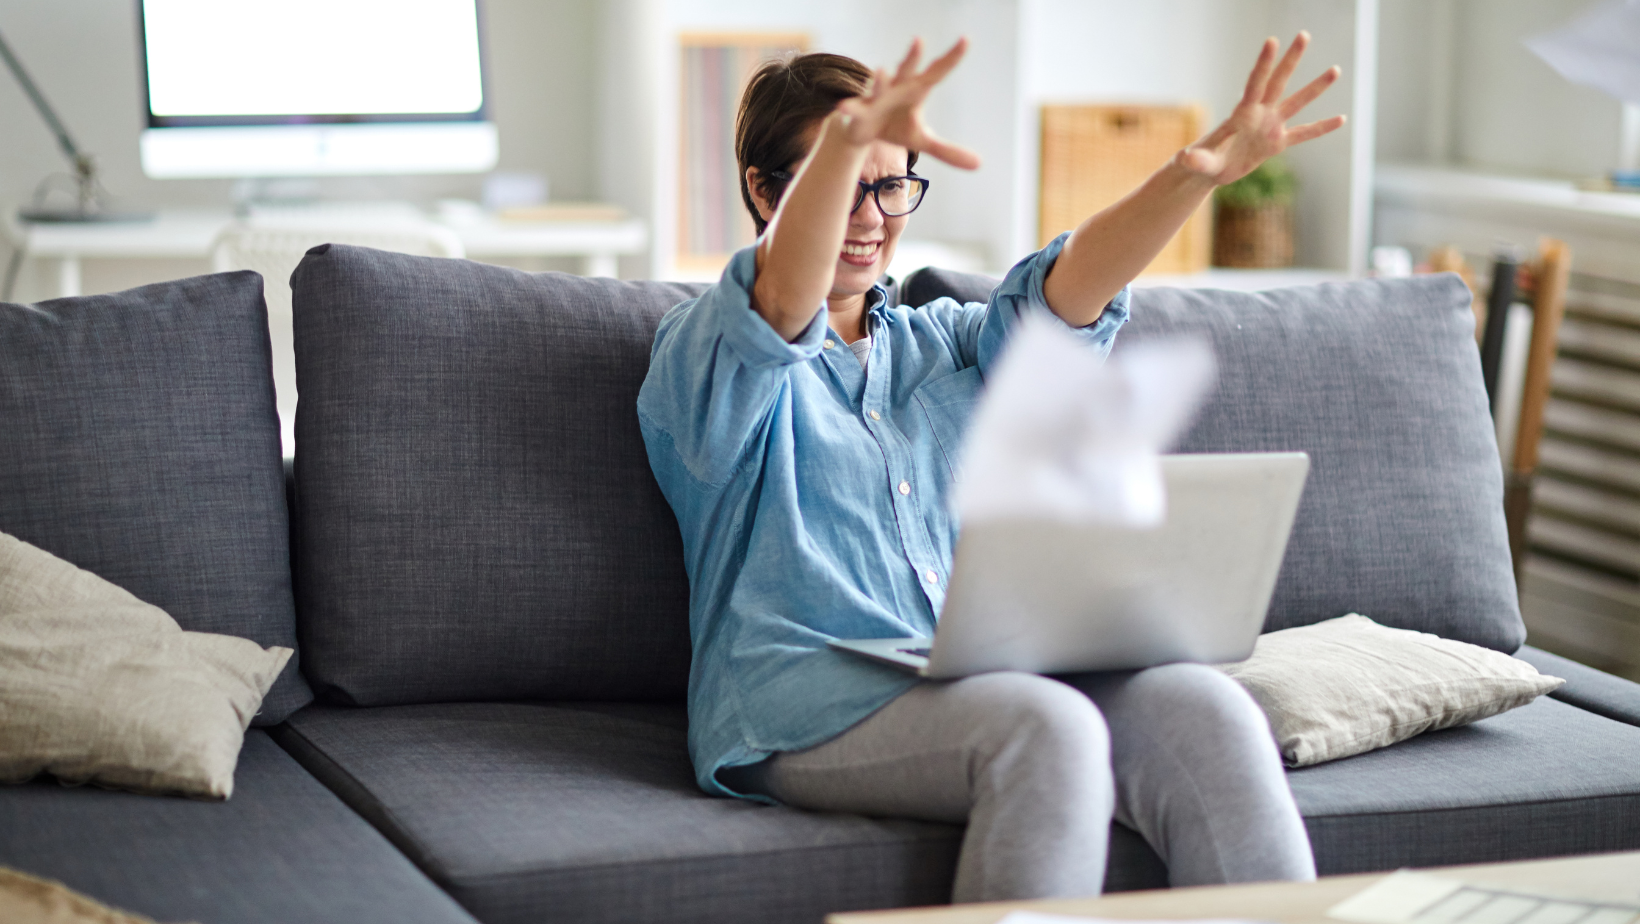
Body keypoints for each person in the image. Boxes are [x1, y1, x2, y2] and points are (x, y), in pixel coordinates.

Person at [638, 33, 1345, 903]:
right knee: (1045, 731)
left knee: (1212, 713)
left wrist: (1191, 175)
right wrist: (856, 137)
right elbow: (782, 302)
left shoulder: (947, 344)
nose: (870, 216)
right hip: (798, 696)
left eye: (889, 183)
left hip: (975, 672)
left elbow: (1065, 300)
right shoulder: (706, 350)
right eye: (840, 176)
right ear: (762, 188)